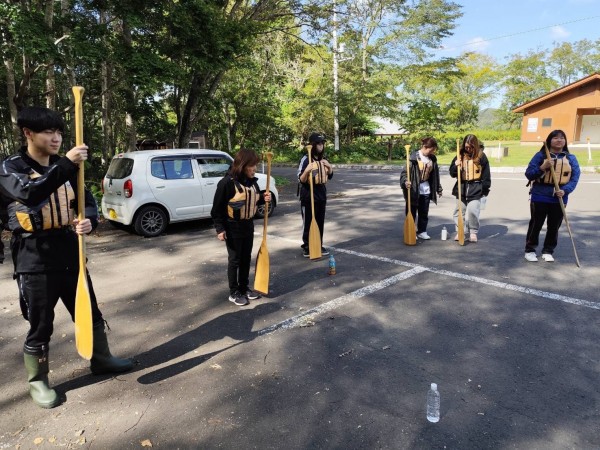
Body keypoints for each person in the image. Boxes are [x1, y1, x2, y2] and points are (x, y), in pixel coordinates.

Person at [0, 106, 133, 409]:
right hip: (34, 257)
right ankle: (38, 380)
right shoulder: (10, 168)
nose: (56, 138)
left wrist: (88, 221)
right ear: (28, 133)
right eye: (48, 132)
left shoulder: (67, 167)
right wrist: (67, 164)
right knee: (41, 323)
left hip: (70, 251)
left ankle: (101, 358)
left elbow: (86, 203)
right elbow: (30, 194)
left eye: (59, 132)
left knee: (89, 311)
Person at [211, 148, 271, 306]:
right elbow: (216, 209)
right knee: (235, 260)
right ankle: (234, 292)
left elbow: (253, 199)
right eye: (252, 165)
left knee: (246, 258)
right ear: (243, 165)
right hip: (232, 227)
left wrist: (263, 197)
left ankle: (244, 288)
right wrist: (220, 229)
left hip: (248, 226)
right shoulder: (226, 183)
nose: (255, 169)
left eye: (255, 165)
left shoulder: (252, 182)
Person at [524, 129, 580, 262]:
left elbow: (575, 178)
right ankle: (530, 250)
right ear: (549, 140)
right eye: (555, 138)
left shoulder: (571, 158)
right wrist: (542, 167)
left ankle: (548, 250)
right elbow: (529, 174)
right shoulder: (540, 156)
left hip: (559, 197)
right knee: (536, 224)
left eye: (562, 138)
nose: (559, 140)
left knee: (554, 226)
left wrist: (565, 190)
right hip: (540, 196)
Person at [449, 134, 491, 243]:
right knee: (459, 211)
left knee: (473, 211)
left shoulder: (481, 156)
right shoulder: (460, 155)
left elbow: (486, 175)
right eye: (466, 147)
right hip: (461, 188)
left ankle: (473, 232)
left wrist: (484, 190)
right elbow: (452, 173)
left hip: (476, 189)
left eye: (470, 147)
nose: (468, 149)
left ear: (475, 146)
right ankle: (460, 231)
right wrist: (455, 165)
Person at [297, 132, 333, 257]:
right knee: (308, 222)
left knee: (319, 222)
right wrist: (307, 170)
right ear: (312, 145)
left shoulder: (324, 159)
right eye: (318, 143)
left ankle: (318, 244)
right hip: (308, 196)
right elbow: (301, 179)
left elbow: (330, 176)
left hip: (321, 196)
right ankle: (307, 246)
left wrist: (330, 167)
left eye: (322, 143)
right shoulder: (305, 159)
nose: (321, 145)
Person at [399, 137, 443, 240]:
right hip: (414, 189)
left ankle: (422, 231)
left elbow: (435, 175)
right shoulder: (413, 158)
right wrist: (405, 182)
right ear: (425, 147)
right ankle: (411, 231)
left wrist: (438, 188)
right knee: (411, 212)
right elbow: (404, 174)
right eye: (431, 150)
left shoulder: (432, 159)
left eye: (433, 150)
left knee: (424, 212)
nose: (432, 152)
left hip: (426, 189)